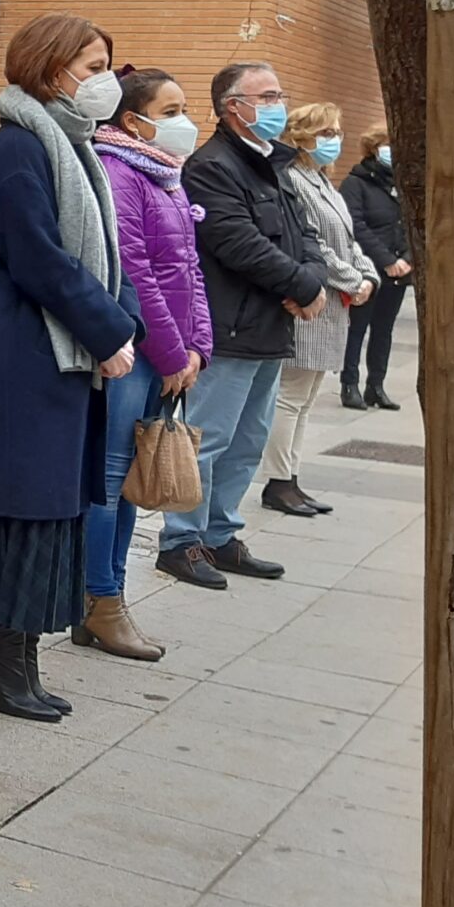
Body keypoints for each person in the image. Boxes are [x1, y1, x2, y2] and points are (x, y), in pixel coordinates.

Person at [0, 16, 137, 720]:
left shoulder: (66, 143)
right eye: (91, 66)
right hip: (23, 356)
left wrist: (122, 324)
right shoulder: (20, 147)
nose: (103, 82)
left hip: (54, 355)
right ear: (51, 68)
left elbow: (96, 258)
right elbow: (38, 257)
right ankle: (4, 656)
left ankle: (5, 651)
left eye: (106, 66)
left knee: (52, 507)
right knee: (27, 509)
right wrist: (108, 329)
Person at [160, 63, 327, 590]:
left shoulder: (272, 166)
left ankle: (220, 534)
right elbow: (236, 243)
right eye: (268, 96)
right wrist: (302, 287)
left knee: (248, 442)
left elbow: (307, 237)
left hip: (271, 329)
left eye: (281, 93)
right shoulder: (211, 166)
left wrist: (312, 281)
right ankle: (180, 541)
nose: (278, 105)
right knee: (207, 439)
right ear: (234, 106)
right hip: (229, 329)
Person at [78, 67, 209, 660]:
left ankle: (112, 596)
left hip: (168, 355)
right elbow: (134, 271)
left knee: (134, 479)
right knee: (112, 477)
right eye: (173, 108)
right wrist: (168, 348)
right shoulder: (120, 173)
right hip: (138, 352)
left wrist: (197, 345)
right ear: (134, 120)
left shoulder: (168, 179)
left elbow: (190, 271)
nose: (186, 121)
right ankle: (98, 600)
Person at [260, 104, 377, 517]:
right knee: (290, 397)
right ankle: (278, 481)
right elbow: (313, 245)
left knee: (307, 398)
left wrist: (367, 275)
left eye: (338, 130)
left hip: (334, 306)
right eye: (325, 131)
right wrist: (350, 279)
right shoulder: (292, 179)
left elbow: (348, 238)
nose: (334, 138)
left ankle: (292, 476)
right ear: (301, 136)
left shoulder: (323, 180)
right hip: (312, 300)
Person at [341, 127, 413, 406]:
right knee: (357, 328)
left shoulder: (401, 184)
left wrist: (407, 259)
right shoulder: (356, 183)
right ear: (373, 149)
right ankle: (350, 384)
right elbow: (355, 226)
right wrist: (386, 260)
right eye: (386, 145)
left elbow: (410, 224)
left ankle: (376, 386)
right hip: (368, 270)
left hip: (398, 272)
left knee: (384, 330)